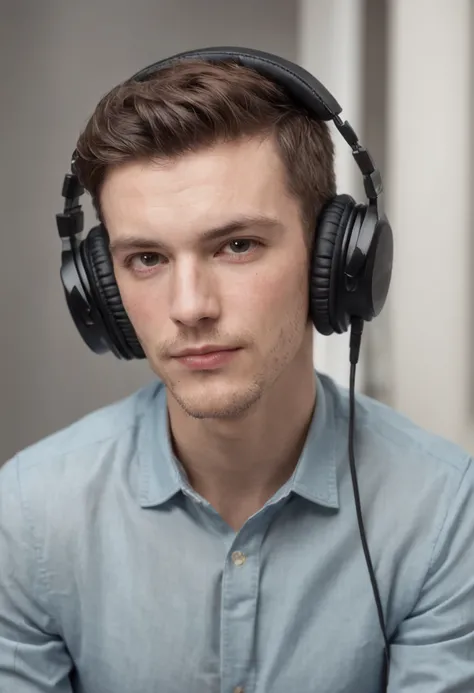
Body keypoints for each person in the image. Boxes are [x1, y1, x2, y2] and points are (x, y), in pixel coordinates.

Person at [0, 47, 473, 693]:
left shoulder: (445, 511)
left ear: (333, 261)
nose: (190, 306)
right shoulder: (28, 513)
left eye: (237, 245)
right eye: (145, 258)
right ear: (100, 291)